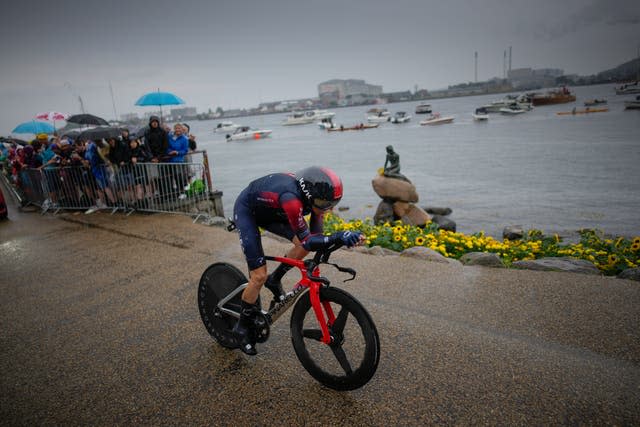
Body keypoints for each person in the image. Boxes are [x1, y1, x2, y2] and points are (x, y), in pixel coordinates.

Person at [232, 166, 364, 355]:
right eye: (323, 204)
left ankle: (275, 279)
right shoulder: (291, 199)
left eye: (332, 204)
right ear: (309, 195)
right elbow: (310, 239)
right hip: (248, 211)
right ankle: (241, 327)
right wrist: (337, 236)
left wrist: (346, 237)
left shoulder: (316, 198)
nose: (328, 209)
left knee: (304, 245)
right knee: (259, 276)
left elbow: (315, 239)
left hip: (273, 211)